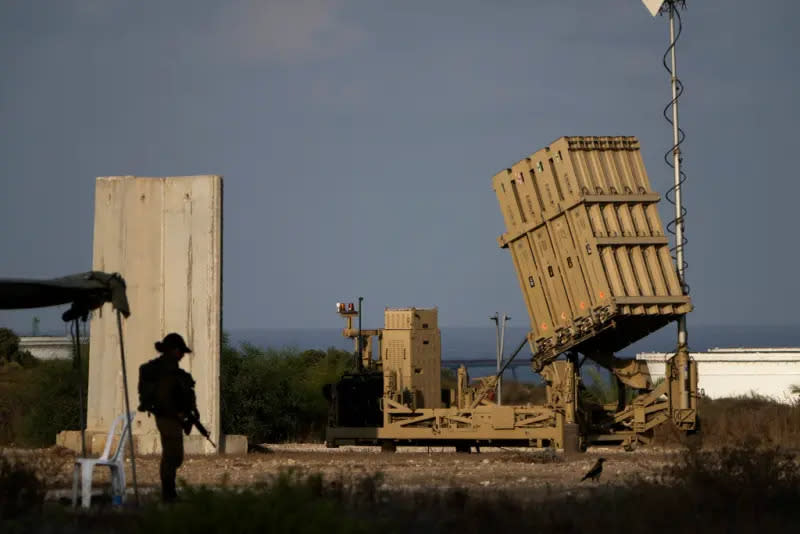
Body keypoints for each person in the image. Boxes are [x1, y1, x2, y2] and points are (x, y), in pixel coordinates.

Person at [138, 332, 198, 503]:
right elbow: (165, 397)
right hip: (166, 416)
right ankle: (168, 493)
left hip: (173, 417)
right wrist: (178, 414)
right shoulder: (163, 371)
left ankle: (169, 492)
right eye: (180, 351)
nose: (181, 355)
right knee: (172, 455)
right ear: (173, 350)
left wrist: (189, 413)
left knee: (174, 455)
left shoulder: (175, 372)